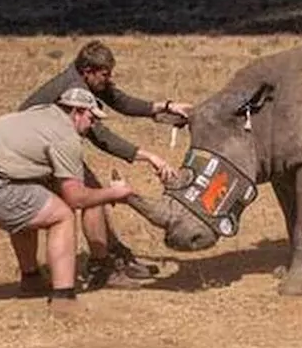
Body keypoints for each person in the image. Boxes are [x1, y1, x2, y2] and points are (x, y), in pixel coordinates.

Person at [0, 88, 136, 315]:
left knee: (32, 203)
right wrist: (114, 194)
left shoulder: (40, 114)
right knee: (61, 215)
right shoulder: (65, 135)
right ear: (76, 112)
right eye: (91, 118)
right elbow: (76, 197)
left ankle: (31, 279)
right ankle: (64, 298)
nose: (92, 125)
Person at [21, 40, 190, 288]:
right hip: (33, 150)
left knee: (95, 194)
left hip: (46, 145)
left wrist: (165, 107)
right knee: (91, 197)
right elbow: (102, 138)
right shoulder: (75, 90)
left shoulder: (86, 80)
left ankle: (115, 254)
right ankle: (103, 268)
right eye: (104, 74)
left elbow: (121, 101)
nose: (108, 79)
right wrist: (150, 157)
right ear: (88, 71)